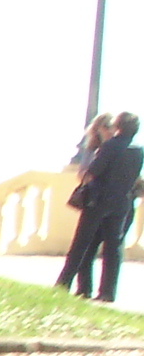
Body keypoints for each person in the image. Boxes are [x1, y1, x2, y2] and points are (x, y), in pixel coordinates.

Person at [58, 110, 140, 302]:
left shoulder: (110, 146)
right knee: (113, 248)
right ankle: (108, 292)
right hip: (121, 203)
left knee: (81, 243)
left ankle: (65, 283)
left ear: (118, 126)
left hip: (98, 201)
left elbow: (94, 170)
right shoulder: (138, 150)